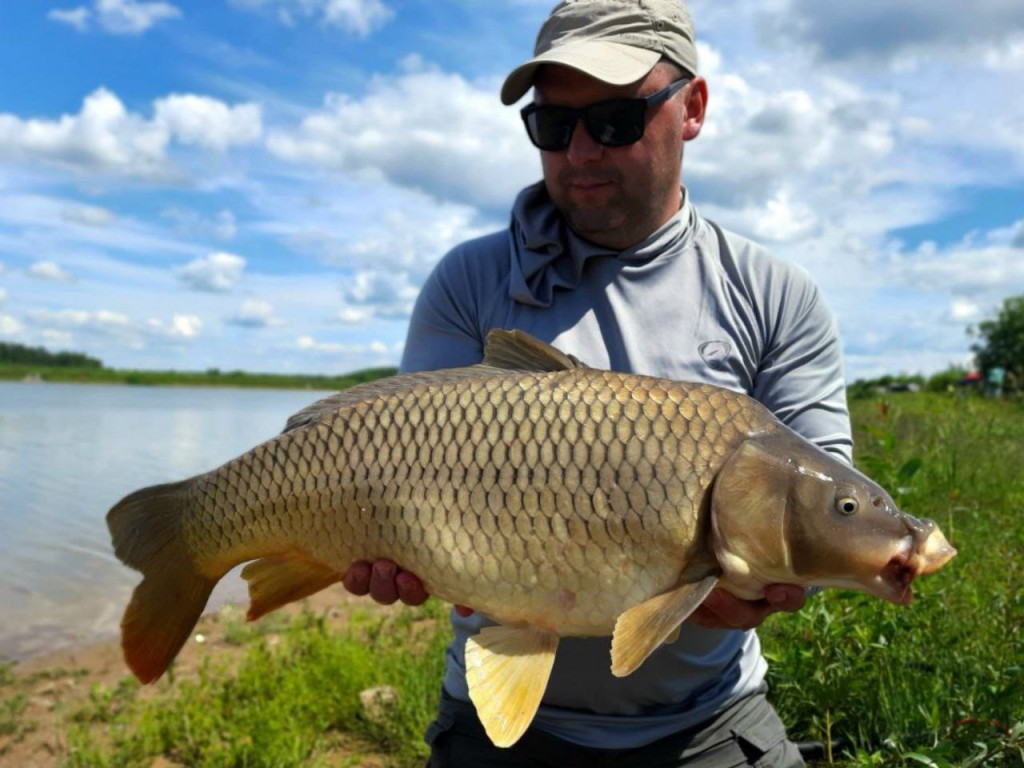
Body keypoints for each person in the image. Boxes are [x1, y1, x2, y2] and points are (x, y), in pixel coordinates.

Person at [344, 0, 853, 765]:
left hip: (707, 718)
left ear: (693, 108)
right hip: (507, 716)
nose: (580, 150)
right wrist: (391, 547)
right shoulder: (470, 281)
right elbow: (406, 468)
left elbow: (825, 516)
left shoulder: (774, 294)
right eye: (553, 126)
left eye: (615, 119)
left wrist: (758, 588)